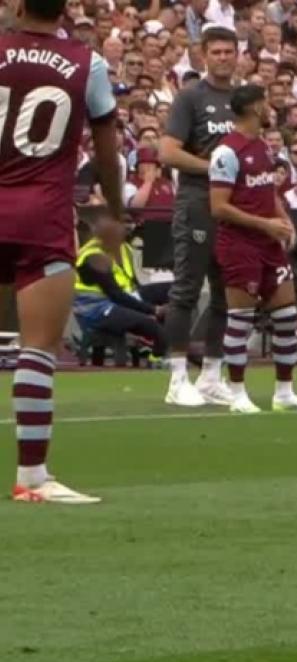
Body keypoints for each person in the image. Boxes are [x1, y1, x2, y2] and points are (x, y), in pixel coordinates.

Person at [5, 0, 125, 504]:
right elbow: (105, 151)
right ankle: (32, 476)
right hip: (42, 214)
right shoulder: (88, 63)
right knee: (38, 347)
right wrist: (116, 211)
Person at [208, 84, 297, 414]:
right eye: (266, 103)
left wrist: (284, 220)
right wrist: (265, 225)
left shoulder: (263, 148)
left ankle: (284, 392)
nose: (271, 108)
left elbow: (268, 193)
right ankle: (237, 392)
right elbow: (218, 207)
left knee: (287, 315)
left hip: (270, 244)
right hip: (240, 244)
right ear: (257, 108)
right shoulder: (226, 152)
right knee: (240, 319)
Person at [159, 26, 240, 408]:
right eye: (217, 52)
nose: (224, 57)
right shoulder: (191, 98)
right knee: (187, 289)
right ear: (204, 55)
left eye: (230, 51)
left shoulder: (244, 100)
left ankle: (211, 374)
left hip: (235, 207)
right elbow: (168, 152)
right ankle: (177, 377)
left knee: (226, 292)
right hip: (196, 202)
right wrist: (213, 167)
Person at [73, 216, 169, 361]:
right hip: (96, 308)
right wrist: (153, 310)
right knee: (151, 325)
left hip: (121, 296)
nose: (128, 230)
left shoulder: (124, 248)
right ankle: (156, 358)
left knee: (173, 290)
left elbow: (131, 283)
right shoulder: (93, 257)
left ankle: (162, 340)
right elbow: (115, 294)